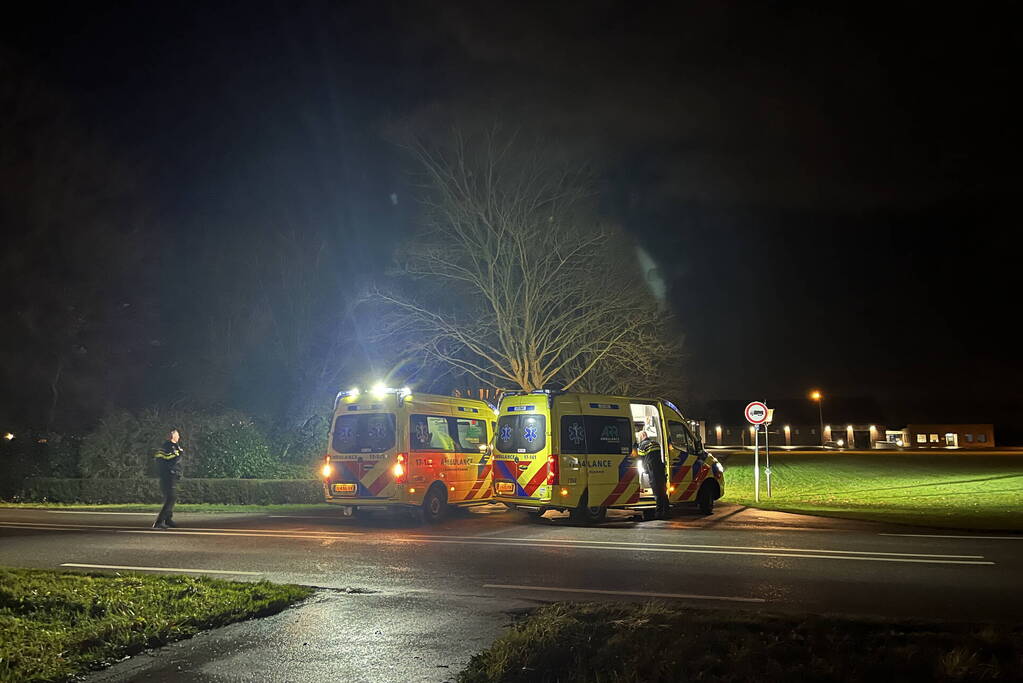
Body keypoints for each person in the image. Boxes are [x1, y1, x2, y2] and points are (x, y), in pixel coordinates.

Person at [152, 429, 183, 529]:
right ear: (172, 436)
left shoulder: (174, 446)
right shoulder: (168, 446)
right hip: (168, 476)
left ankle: (168, 519)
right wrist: (179, 453)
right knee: (171, 498)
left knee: (171, 497)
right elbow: (169, 458)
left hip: (172, 475)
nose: (179, 437)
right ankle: (159, 522)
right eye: (177, 435)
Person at [637, 431, 670, 519]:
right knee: (663, 491)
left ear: (643, 436)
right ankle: (666, 511)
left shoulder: (643, 445)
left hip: (652, 470)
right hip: (660, 469)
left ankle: (659, 514)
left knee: (657, 492)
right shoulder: (656, 443)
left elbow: (640, 458)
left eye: (639, 436)